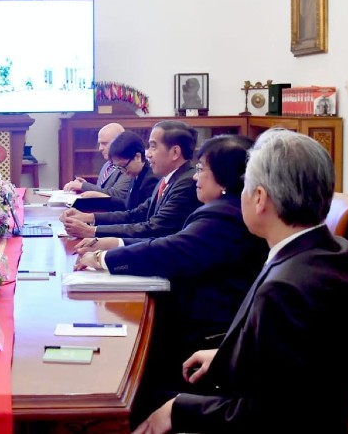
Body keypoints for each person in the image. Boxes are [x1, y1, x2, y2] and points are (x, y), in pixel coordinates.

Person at [132, 129, 348, 434]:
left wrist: (176, 409)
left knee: (138, 397)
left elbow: (268, 413)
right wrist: (229, 354)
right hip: (291, 395)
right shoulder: (337, 250)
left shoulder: (285, 290)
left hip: (284, 418)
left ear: (259, 198)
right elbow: (296, 357)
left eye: (244, 187)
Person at [75, 135, 268, 421]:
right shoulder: (224, 209)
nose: (196, 178)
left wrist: (104, 259)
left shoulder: (223, 214)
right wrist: (114, 244)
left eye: (202, 169)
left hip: (204, 332)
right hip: (206, 319)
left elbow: (170, 250)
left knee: (120, 365)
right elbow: (173, 241)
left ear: (225, 178)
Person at [60, 120, 202, 239]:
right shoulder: (166, 180)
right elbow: (135, 214)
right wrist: (88, 218)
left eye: (153, 147)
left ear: (175, 152)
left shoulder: (185, 183)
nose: (148, 154)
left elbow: (154, 229)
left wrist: (92, 232)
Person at [62, 122, 132, 211]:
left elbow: (117, 195)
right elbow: (103, 190)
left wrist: (83, 186)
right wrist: (85, 186)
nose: (100, 148)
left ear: (119, 143)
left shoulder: (127, 166)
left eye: (104, 143)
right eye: (100, 143)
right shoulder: (107, 164)